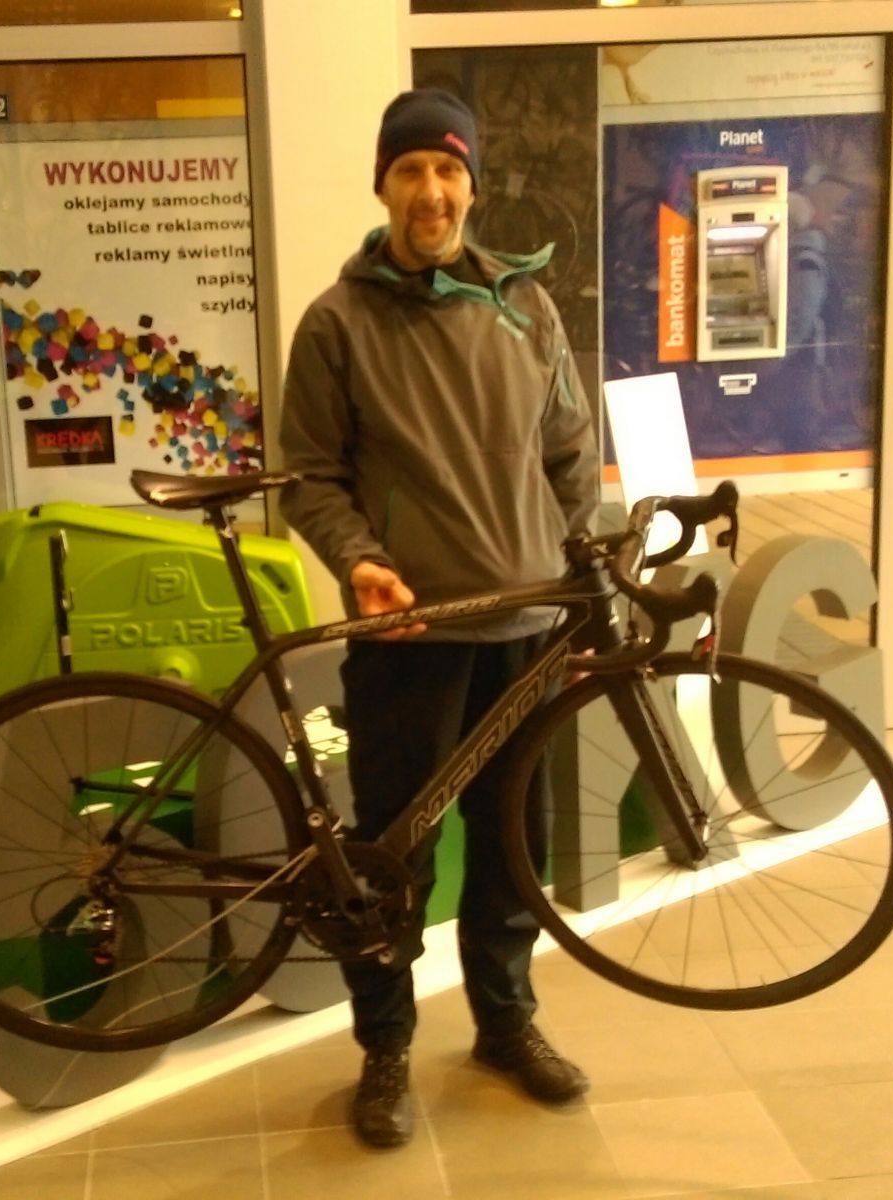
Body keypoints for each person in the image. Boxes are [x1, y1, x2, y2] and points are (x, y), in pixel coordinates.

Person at [278, 88, 599, 1149]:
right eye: (410, 170)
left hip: (526, 628)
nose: (431, 190)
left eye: (449, 169)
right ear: (382, 185)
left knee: (513, 851)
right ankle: (384, 1049)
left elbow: (569, 453)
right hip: (409, 638)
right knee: (391, 863)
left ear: (472, 185)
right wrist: (361, 560)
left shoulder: (526, 307)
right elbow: (310, 475)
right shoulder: (338, 321)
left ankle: (505, 1025)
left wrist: (578, 580)